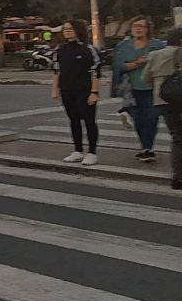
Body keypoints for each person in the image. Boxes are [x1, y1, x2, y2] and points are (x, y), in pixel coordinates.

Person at [111, 15, 165, 163]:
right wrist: (136, 64)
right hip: (131, 89)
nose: (138, 28)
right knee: (138, 119)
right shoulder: (124, 46)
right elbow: (118, 66)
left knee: (151, 118)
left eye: (142, 26)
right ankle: (144, 147)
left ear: (148, 29)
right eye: (135, 26)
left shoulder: (158, 45)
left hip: (152, 88)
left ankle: (148, 148)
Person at [53, 19, 102, 166]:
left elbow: (96, 71)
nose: (67, 31)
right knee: (73, 120)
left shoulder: (88, 49)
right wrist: (55, 89)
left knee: (89, 120)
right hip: (67, 90)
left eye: (70, 28)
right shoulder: (60, 50)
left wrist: (94, 92)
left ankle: (92, 152)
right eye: (65, 29)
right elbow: (57, 70)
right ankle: (77, 150)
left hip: (85, 90)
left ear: (78, 30)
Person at [142, 28, 182, 190]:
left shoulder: (155, 55)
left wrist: (161, 87)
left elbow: (145, 79)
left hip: (164, 101)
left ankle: (178, 177)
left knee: (177, 137)